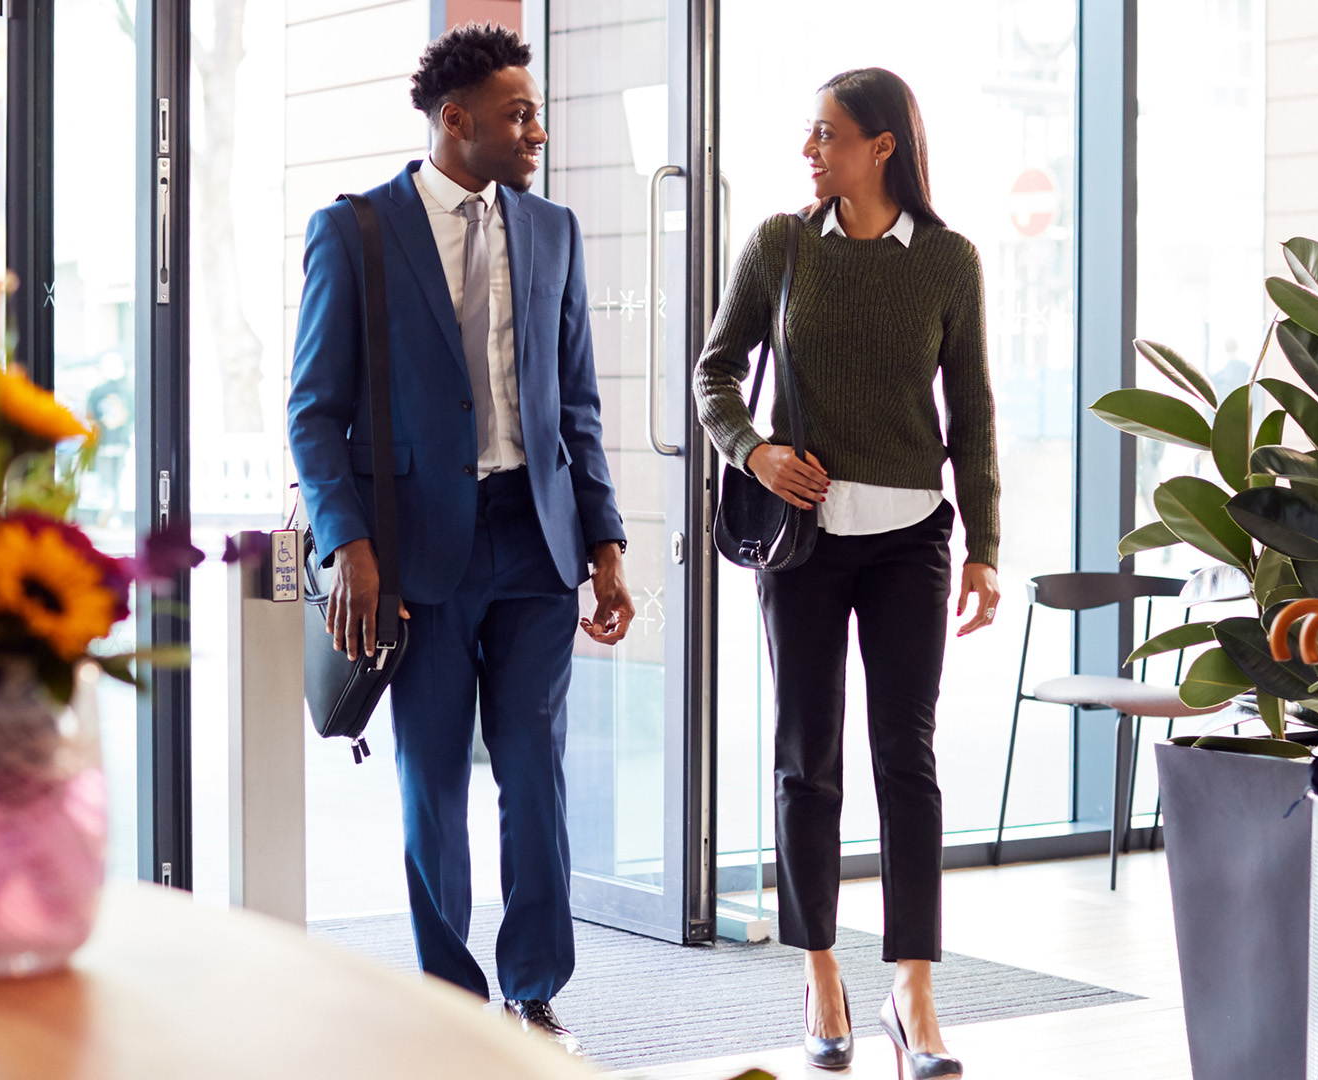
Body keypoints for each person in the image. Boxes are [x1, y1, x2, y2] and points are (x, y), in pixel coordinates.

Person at [286, 22, 633, 1057]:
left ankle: (532, 992)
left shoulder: (553, 231)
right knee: (431, 776)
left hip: (535, 540)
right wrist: (350, 543)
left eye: (534, 113)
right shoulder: (354, 232)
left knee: (534, 769)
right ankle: (451, 998)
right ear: (456, 119)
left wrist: (606, 542)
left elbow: (579, 405)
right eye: (518, 115)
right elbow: (313, 410)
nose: (536, 130)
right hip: (413, 555)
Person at [692, 67, 1000, 1079]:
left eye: (827, 135)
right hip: (803, 543)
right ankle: (820, 966)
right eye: (809, 135)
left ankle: (912, 989)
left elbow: (976, 417)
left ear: (883, 148)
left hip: (913, 539)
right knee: (805, 756)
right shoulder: (781, 246)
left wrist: (986, 548)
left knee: (905, 760)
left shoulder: (949, 262)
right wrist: (756, 452)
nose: (809, 151)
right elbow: (714, 371)